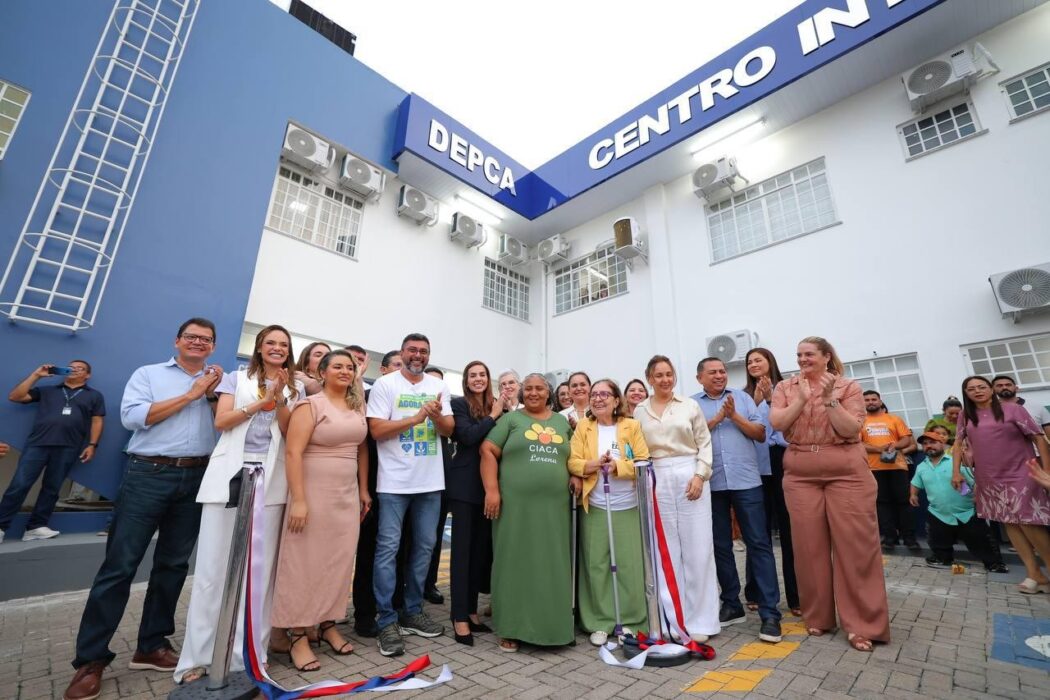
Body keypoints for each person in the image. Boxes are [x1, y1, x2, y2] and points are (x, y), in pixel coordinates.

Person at [63, 319, 223, 700]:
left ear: (213, 347)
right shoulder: (149, 374)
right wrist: (192, 394)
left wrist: (215, 395)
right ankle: (90, 660)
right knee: (120, 566)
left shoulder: (221, 381)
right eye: (192, 337)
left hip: (196, 476)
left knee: (173, 565)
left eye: (206, 340)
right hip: (148, 473)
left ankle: (151, 645)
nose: (198, 343)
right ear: (177, 341)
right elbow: (133, 418)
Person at [175, 325, 303, 683]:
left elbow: (291, 430)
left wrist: (278, 402)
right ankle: (197, 658)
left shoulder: (296, 386)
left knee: (257, 574)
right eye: (270, 343)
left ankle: (248, 657)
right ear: (259, 348)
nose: (277, 348)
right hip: (230, 478)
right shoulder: (235, 378)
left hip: (271, 483)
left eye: (283, 344)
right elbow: (222, 421)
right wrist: (258, 403)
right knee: (213, 572)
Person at [770, 336, 889, 653]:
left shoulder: (848, 386)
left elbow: (851, 430)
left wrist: (828, 399)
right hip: (800, 472)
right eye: (798, 354)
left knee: (855, 546)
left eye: (809, 354)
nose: (802, 359)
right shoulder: (785, 388)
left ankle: (863, 624)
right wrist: (800, 399)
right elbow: (777, 423)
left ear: (826, 357)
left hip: (846, 470)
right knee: (809, 548)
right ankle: (819, 616)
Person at [269, 349, 369, 671]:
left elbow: (361, 449)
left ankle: (326, 625)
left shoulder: (357, 405)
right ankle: (297, 633)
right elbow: (293, 454)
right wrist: (298, 499)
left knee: (338, 562)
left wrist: (363, 489)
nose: (344, 371)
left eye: (349, 367)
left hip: (347, 495)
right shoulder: (310, 405)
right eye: (337, 366)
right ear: (322, 373)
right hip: (312, 494)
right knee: (304, 562)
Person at [367, 333, 453, 656]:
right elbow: (375, 430)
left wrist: (436, 418)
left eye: (423, 351)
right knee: (387, 548)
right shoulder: (386, 385)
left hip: (430, 483)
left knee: (425, 547)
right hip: (393, 483)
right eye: (412, 350)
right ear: (402, 353)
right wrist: (416, 418)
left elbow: (448, 431)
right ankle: (386, 619)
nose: (418, 355)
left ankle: (412, 610)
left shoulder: (438, 386)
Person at [481, 373, 574, 652]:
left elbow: (575, 457)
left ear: (549, 393)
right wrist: (492, 490)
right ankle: (510, 627)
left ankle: (553, 626)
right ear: (522, 393)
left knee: (551, 564)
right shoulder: (511, 420)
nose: (534, 393)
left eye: (540, 389)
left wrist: (577, 477)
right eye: (529, 389)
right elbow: (487, 450)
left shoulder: (562, 423)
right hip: (514, 507)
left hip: (554, 509)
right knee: (513, 562)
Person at [693, 358, 781, 643]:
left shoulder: (742, 398)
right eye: (713, 372)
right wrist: (717, 419)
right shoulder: (691, 405)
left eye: (722, 371)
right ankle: (731, 603)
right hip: (712, 483)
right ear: (699, 378)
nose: (719, 376)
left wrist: (734, 417)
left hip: (747, 481)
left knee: (758, 543)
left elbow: (760, 434)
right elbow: (688, 439)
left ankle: (770, 614)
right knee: (719, 545)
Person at [633, 355, 720, 642]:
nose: (665, 380)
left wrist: (700, 475)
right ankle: (674, 618)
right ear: (649, 378)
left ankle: (702, 621)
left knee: (698, 549)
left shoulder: (689, 405)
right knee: (666, 551)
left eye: (669, 374)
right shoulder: (639, 411)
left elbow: (704, 443)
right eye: (658, 375)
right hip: (656, 476)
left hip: (689, 472)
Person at [568, 379, 650, 646]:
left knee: (628, 564)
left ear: (617, 400)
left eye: (605, 394)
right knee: (597, 565)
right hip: (596, 506)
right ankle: (599, 622)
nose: (598, 398)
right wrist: (594, 465)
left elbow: (642, 460)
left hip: (626, 505)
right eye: (594, 394)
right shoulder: (584, 426)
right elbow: (573, 461)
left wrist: (618, 468)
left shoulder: (631, 425)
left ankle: (631, 620)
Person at [953, 376, 1050, 595]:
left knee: (1028, 522)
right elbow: (958, 443)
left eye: (982, 387)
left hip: (1021, 473)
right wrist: (956, 471)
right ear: (966, 393)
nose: (977, 391)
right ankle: (1035, 574)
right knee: (1009, 523)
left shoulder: (1013, 409)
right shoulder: (965, 415)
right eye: (971, 389)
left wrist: (1047, 471)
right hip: (988, 477)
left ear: (990, 389)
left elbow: (1039, 438)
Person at [1, 360, 105, 542]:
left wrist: (92, 445)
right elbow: (15, 397)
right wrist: (36, 375)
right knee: (19, 485)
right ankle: (1, 526)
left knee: (52, 488)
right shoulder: (48, 390)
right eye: (71, 367)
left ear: (87, 375)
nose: (74, 370)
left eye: (79, 368)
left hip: (69, 447)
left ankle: (35, 527)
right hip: (38, 444)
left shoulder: (94, 396)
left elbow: (97, 420)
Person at [448, 361, 508, 645]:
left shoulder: (498, 405)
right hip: (465, 488)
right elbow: (468, 437)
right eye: (472, 375)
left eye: (482, 374)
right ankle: (459, 616)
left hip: (492, 488)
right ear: (466, 380)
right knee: (461, 554)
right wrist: (494, 415)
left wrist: (499, 411)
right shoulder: (458, 405)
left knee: (480, 554)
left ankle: (472, 611)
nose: (478, 379)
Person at [351, 348, 404, 638]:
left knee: (397, 552)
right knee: (371, 551)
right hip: (373, 485)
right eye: (395, 365)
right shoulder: (370, 399)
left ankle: (394, 609)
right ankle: (364, 614)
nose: (400, 369)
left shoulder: (411, 401)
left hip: (401, 487)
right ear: (382, 371)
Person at [742, 348, 799, 618]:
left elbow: (790, 426)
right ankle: (755, 591)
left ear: (770, 363)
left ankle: (797, 595)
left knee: (790, 531)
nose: (754, 365)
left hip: (785, 461)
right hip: (755, 466)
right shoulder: (742, 396)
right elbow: (750, 430)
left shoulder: (788, 389)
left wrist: (768, 400)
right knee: (758, 533)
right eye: (750, 361)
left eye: (759, 360)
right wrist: (756, 402)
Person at [909, 430, 1006, 572]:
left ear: (942, 444)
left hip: (966, 510)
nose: (928, 446)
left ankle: (994, 563)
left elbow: (974, 480)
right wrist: (913, 494)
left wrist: (979, 495)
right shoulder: (921, 466)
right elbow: (916, 482)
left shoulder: (957, 461)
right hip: (938, 512)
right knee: (938, 539)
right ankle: (942, 558)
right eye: (925, 444)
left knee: (980, 539)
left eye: (932, 442)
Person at [860, 390, 918, 550]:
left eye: (873, 399)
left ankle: (910, 538)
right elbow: (858, 443)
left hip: (897, 466)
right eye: (867, 400)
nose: (870, 402)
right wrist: (879, 449)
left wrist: (894, 446)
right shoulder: (859, 421)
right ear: (862, 403)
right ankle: (889, 538)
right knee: (881, 503)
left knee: (904, 502)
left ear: (880, 401)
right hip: (873, 468)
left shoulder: (894, 419)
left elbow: (906, 439)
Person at [422, 365, 452, 606]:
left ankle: (428, 582)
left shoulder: (445, 412)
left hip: (439, 479)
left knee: (432, 536)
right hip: (407, 480)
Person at [992, 375, 1050, 440]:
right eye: (999, 386)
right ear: (993, 390)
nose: (1004, 387)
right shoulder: (989, 410)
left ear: (1016, 388)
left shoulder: (1037, 407)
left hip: (1036, 449)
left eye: (1008, 385)